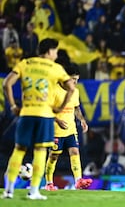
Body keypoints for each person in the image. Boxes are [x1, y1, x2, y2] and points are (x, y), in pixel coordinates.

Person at [2, 38, 75, 200]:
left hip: (26, 113)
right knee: (40, 151)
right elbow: (71, 87)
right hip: (45, 115)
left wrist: (13, 106)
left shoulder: (25, 63)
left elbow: (7, 83)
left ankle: (8, 190)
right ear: (49, 51)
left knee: (19, 150)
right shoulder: (55, 68)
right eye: (55, 51)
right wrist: (60, 108)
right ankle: (33, 191)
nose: (56, 55)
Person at [44, 63, 93, 191]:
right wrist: (58, 120)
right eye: (73, 80)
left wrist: (82, 120)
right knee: (54, 156)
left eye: (77, 80)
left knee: (75, 152)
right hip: (55, 130)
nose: (75, 83)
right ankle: (49, 183)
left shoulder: (75, 92)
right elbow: (46, 109)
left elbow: (76, 108)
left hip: (71, 129)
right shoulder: (54, 90)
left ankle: (78, 181)